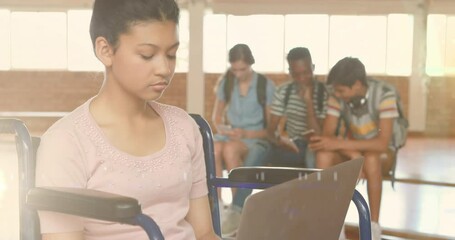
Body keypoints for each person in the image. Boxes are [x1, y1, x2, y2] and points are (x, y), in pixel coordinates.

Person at [35, 1, 219, 239]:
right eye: (147, 55)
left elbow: (204, 233)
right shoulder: (66, 142)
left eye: (171, 54)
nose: (164, 68)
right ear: (105, 50)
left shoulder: (183, 127)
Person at [309, 57, 400, 240]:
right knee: (324, 154)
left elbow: (382, 143)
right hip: (353, 149)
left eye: (341, 90)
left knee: (372, 158)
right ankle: (335, 225)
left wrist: (348, 149)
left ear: (357, 85)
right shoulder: (337, 95)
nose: (337, 94)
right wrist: (354, 154)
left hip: (381, 152)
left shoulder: (385, 94)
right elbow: (328, 136)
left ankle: (373, 227)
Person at [211, 44, 275, 236]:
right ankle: (218, 205)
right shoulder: (227, 82)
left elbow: (270, 130)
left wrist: (245, 134)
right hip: (231, 135)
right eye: (234, 69)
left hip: (254, 137)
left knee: (230, 150)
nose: (238, 74)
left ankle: (237, 210)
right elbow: (216, 118)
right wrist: (225, 129)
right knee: (213, 148)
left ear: (251, 64)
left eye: (242, 69)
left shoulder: (265, 85)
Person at [267, 47, 327, 169]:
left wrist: (308, 102)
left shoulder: (324, 93)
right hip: (293, 144)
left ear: (313, 68)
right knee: (265, 152)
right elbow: (270, 131)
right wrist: (281, 140)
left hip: (318, 145)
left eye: (306, 72)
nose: (302, 78)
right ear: (290, 72)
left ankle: (315, 187)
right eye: (296, 74)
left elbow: (319, 134)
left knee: (311, 156)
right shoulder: (284, 91)